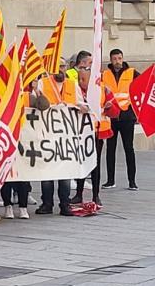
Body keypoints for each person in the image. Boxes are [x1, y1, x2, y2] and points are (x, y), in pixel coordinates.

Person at [33, 69, 83, 217]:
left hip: (66, 138)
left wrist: (83, 108)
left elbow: (80, 103)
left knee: (65, 172)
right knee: (47, 171)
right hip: (47, 135)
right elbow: (35, 103)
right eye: (57, 65)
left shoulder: (72, 85)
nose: (60, 69)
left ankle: (65, 204)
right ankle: (47, 203)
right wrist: (36, 91)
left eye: (63, 65)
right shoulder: (43, 83)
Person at [101, 49, 139, 190]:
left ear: (123, 58)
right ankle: (110, 180)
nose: (118, 61)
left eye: (119, 58)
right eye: (115, 59)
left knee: (129, 148)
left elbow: (142, 87)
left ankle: (132, 181)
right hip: (111, 116)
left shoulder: (131, 72)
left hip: (127, 116)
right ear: (111, 60)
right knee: (110, 149)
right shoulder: (105, 74)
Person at [70, 51, 103, 206]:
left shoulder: (100, 88)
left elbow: (113, 109)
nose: (83, 80)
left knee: (95, 163)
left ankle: (96, 195)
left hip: (96, 131)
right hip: (78, 131)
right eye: (81, 78)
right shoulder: (74, 89)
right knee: (80, 162)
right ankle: (79, 193)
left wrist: (108, 107)